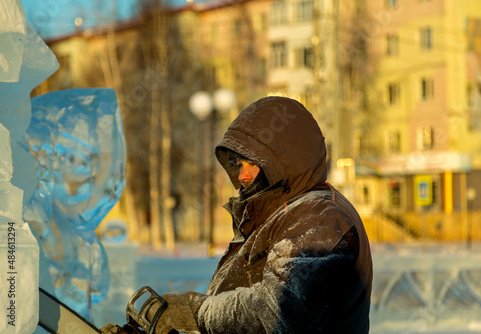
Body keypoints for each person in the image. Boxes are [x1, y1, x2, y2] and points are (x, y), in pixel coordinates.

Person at [104, 96, 373, 334]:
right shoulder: (279, 214)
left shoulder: (322, 218)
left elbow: (278, 312)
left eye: (253, 163)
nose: (242, 175)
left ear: (285, 159)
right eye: (239, 164)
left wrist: (192, 312)